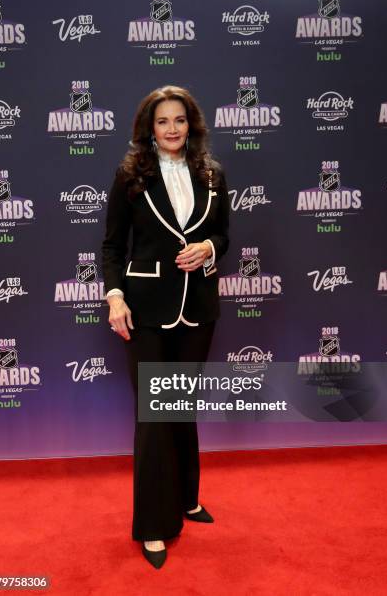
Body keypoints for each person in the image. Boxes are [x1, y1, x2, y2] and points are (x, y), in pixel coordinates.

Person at [101, 85, 230, 569]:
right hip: (146, 308)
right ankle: (154, 523)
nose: (172, 128)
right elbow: (112, 246)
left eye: (180, 120)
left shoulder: (213, 173)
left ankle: (186, 498)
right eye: (162, 121)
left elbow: (224, 234)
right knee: (156, 413)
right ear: (148, 128)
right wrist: (114, 296)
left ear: (191, 125)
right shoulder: (130, 175)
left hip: (198, 307)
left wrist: (210, 249)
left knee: (180, 406)